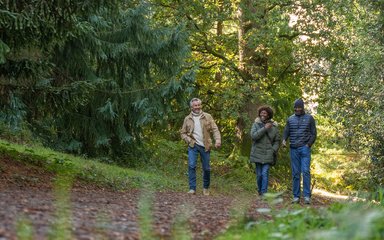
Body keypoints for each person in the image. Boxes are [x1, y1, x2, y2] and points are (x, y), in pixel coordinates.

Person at [180, 98, 221, 196]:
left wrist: (218, 139)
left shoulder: (207, 116)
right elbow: (183, 133)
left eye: (199, 105)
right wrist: (188, 140)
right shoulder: (187, 118)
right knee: (191, 165)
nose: (197, 107)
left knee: (206, 168)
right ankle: (192, 188)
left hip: (205, 145)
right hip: (193, 145)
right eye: (195, 105)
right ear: (191, 107)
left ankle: (206, 188)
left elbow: (215, 129)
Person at [282, 98, 317, 204]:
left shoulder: (309, 118)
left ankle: (306, 196)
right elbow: (286, 131)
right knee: (296, 173)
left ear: (302, 108)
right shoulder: (290, 119)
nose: (297, 109)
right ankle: (296, 196)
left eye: (299, 108)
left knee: (305, 171)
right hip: (293, 149)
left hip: (304, 149)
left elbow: (314, 134)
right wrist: (284, 140)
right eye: (296, 108)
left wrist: (308, 145)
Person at [249, 106, 280, 197]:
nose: (262, 114)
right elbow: (253, 136)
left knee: (265, 173)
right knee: (259, 175)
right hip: (257, 153)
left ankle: (264, 193)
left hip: (268, 154)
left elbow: (277, 141)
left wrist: (273, 150)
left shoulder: (274, 127)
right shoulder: (256, 124)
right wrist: (265, 128)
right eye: (261, 113)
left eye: (265, 113)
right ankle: (259, 190)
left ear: (268, 115)